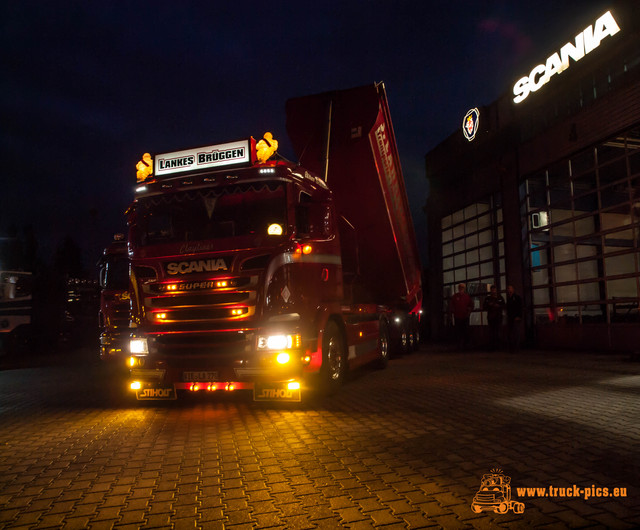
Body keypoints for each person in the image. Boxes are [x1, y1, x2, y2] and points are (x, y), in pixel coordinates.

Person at [450, 283, 474, 350]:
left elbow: (471, 305)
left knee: (465, 331)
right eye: (460, 287)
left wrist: (469, 311)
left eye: (462, 287)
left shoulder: (467, 297)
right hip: (458, 316)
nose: (461, 289)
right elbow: (451, 306)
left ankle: (465, 345)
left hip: (465, 316)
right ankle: (459, 345)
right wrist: (453, 312)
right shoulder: (455, 296)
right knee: (458, 331)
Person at [483, 285, 505, 351]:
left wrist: (498, 306)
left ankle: (498, 346)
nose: (493, 291)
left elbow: (504, 305)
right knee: (492, 332)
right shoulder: (488, 298)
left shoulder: (500, 298)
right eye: (492, 290)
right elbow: (484, 307)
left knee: (497, 332)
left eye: (494, 290)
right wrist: (490, 305)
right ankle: (492, 346)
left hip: (498, 317)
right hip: (491, 317)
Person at [506, 285, 523, 352]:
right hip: (510, 318)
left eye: (510, 289)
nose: (509, 290)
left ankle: (516, 347)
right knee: (511, 333)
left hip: (515, 317)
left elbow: (520, 307)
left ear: (513, 290)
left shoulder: (517, 298)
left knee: (516, 333)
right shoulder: (509, 299)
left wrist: (519, 316)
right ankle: (512, 347)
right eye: (508, 289)